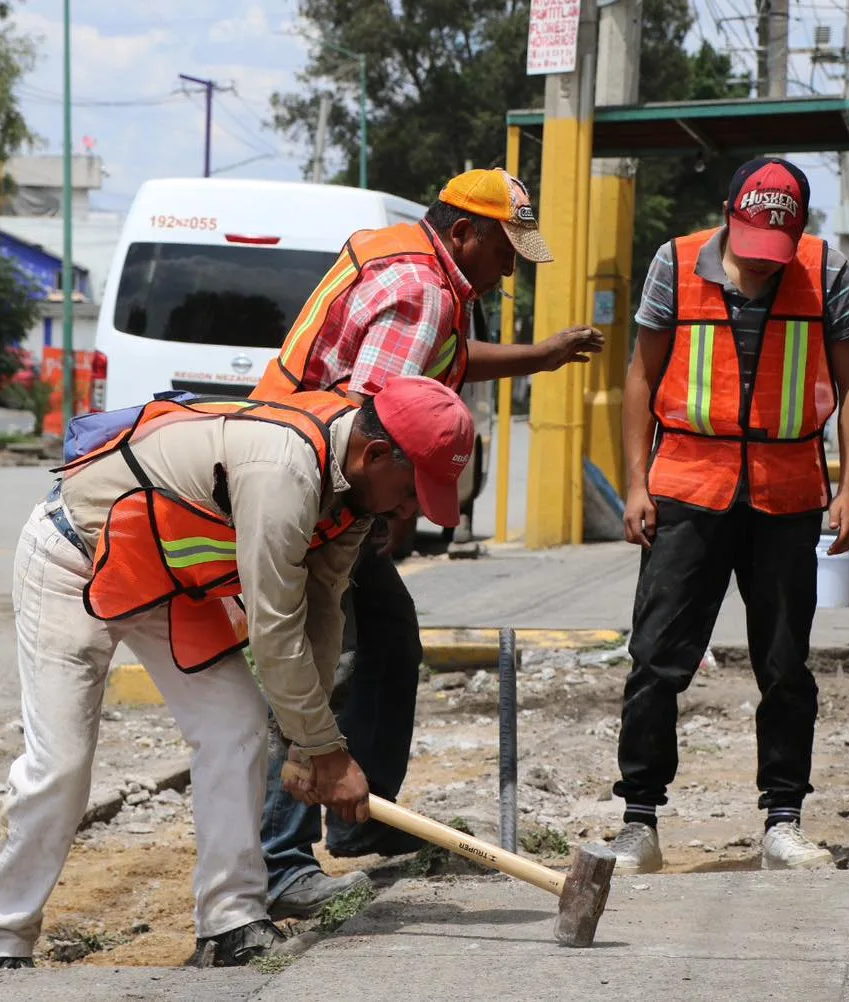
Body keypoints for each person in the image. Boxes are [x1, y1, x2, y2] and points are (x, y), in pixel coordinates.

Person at [0, 376, 477, 969]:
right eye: (412, 488)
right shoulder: (284, 473)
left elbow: (322, 609)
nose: (411, 508)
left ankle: (231, 920)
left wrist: (304, 746)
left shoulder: (357, 495)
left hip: (168, 583)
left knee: (237, 724)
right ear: (376, 454)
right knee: (62, 761)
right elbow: (274, 625)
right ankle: (2, 941)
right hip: (76, 559)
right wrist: (328, 751)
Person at [251, 167, 605, 920]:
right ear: (462, 233)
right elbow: (380, 416)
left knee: (380, 638)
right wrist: (385, 511)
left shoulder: (423, 273)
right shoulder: (423, 290)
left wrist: (538, 357)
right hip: (316, 491)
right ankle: (283, 859)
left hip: (310, 476)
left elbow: (438, 364)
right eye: (505, 249)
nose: (512, 266)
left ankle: (354, 817)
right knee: (322, 656)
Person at [609, 156, 849, 874]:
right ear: (729, 213)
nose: (763, 269)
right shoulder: (675, 262)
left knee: (785, 665)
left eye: (774, 258)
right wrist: (637, 485)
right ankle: (640, 821)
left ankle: (783, 820)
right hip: (688, 485)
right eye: (752, 253)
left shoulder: (827, 270)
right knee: (657, 659)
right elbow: (643, 373)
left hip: (788, 493)